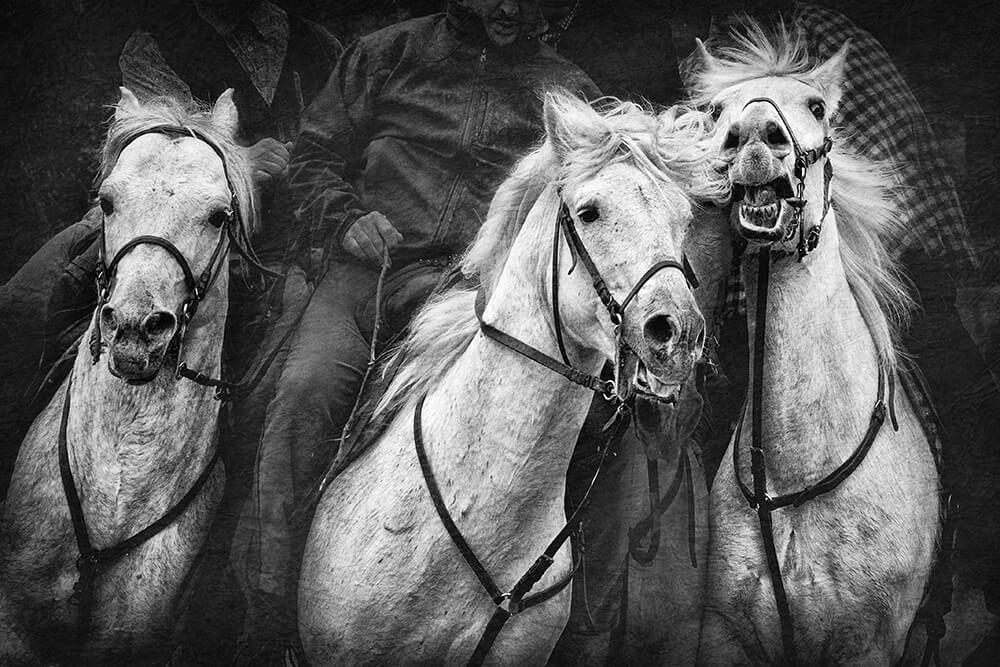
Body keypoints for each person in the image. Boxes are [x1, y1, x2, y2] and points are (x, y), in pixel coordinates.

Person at [231, 0, 600, 657]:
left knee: (575, 420)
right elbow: (312, 157)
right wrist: (345, 218)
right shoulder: (385, 54)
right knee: (305, 390)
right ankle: (267, 616)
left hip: (475, 294)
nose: (509, 7)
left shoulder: (569, 94)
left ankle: (568, 619)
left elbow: (589, 204)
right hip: (363, 278)